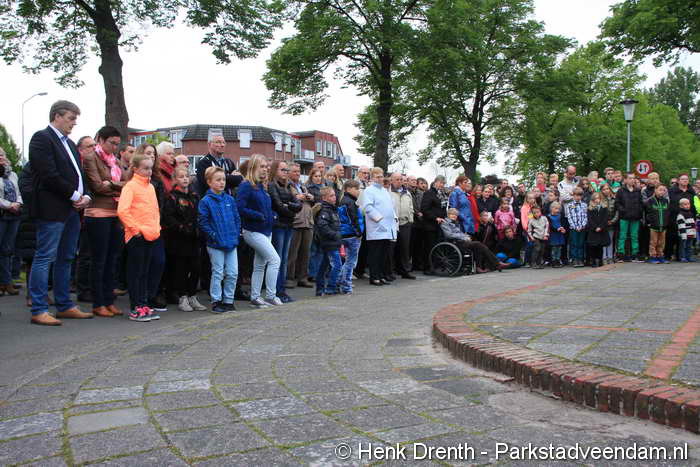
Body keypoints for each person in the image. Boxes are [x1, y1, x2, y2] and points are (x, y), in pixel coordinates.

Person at [27, 100, 93, 326]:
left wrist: (86, 195)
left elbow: (79, 174)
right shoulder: (41, 138)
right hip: (52, 209)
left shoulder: (70, 144)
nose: (74, 123)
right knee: (45, 256)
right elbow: (48, 174)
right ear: (57, 116)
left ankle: (64, 305)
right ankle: (39, 309)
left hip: (72, 210)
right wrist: (75, 195)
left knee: (66, 257)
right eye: (71, 118)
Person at [82, 126, 126, 318]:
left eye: (117, 144)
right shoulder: (91, 158)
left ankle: (109, 300)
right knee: (99, 259)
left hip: (115, 212)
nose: (114, 147)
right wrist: (116, 186)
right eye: (111, 143)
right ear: (101, 140)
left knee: (112, 259)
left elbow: (127, 184)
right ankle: (98, 302)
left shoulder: (115, 161)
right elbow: (98, 186)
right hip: (98, 213)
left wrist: (112, 184)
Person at [117, 154, 161, 322]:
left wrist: (156, 228)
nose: (149, 171)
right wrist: (135, 230)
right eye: (145, 168)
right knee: (135, 272)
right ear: (135, 169)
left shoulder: (150, 187)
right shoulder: (130, 187)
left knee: (144, 272)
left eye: (150, 168)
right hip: (137, 235)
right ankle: (136, 307)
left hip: (150, 234)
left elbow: (155, 210)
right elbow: (123, 211)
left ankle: (143, 304)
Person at [236, 154, 282, 308]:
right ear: (253, 167)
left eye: (266, 167)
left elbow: (266, 208)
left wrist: (272, 215)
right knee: (275, 260)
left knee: (260, 265)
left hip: (265, 230)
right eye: (262, 166)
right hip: (253, 230)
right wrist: (258, 216)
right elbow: (239, 207)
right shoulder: (246, 185)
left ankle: (255, 297)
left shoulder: (261, 186)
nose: (265, 169)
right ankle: (270, 296)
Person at [162, 167, 205, 312]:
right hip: (179, 239)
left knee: (196, 268)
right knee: (181, 269)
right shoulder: (172, 197)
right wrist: (181, 227)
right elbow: (168, 217)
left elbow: (199, 214)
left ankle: (192, 295)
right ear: (175, 179)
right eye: (181, 176)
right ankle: (183, 297)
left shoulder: (194, 196)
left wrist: (198, 229)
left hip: (194, 238)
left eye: (187, 176)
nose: (185, 179)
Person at [198, 166, 240, 312]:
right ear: (209, 182)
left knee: (233, 272)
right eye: (218, 180)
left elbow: (236, 218)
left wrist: (235, 234)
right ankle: (216, 301)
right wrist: (214, 236)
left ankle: (228, 300)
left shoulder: (229, 199)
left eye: (223, 179)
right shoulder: (206, 201)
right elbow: (203, 222)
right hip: (215, 244)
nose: (222, 182)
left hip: (231, 242)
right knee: (218, 272)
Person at [268, 160, 302, 303]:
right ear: (275, 170)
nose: (285, 172)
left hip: (288, 224)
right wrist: (290, 209)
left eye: (286, 170)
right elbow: (277, 205)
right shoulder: (272, 185)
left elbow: (299, 205)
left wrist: (288, 206)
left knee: (284, 258)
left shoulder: (289, 186)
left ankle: (281, 290)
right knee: (278, 259)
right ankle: (277, 291)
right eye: (282, 169)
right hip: (278, 225)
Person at [440, 208, 505, 272]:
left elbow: (460, 233)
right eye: (452, 214)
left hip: (461, 241)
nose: (454, 216)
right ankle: (497, 263)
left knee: (478, 247)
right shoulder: (445, 223)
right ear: (448, 215)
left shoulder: (456, 223)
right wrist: (464, 237)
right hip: (455, 243)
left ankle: (479, 267)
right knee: (478, 244)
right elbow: (449, 235)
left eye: (455, 215)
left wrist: (466, 236)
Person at [362, 167, 397, 285]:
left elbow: (390, 207)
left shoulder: (384, 191)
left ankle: (381, 275)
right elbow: (367, 207)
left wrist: (394, 218)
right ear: (372, 178)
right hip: (376, 227)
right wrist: (379, 219)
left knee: (384, 254)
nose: (380, 179)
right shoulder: (369, 190)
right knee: (375, 254)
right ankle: (374, 277)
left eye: (381, 176)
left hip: (387, 227)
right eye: (377, 177)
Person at [286, 163, 314, 288]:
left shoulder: (302, 186)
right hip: (295, 222)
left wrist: (310, 197)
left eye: (298, 171)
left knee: (305, 252)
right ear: (288, 172)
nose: (298, 173)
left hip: (307, 222)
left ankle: (303, 277)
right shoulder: (287, 185)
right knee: (292, 253)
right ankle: (289, 278)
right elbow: (287, 199)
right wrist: (298, 197)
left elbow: (310, 200)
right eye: (295, 171)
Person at [0, 148, 22, 296]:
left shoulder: (13, 174)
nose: (0, 157)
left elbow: (19, 192)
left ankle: (7, 282)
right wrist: (9, 205)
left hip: (13, 216)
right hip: (2, 213)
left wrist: (18, 203)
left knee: (7, 250)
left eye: (2, 154)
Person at [314, 187, 342, 295]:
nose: (334, 197)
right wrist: (336, 235)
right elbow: (323, 227)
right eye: (331, 196)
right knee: (337, 265)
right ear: (324, 198)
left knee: (324, 265)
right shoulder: (324, 211)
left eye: (334, 195)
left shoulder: (333, 209)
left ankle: (320, 288)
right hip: (329, 243)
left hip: (333, 242)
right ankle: (331, 287)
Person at [338, 180, 364, 294]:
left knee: (347, 261)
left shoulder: (343, 200)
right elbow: (353, 219)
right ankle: (346, 286)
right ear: (348, 189)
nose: (358, 191)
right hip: (351, 235)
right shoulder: (350, 202)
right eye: (356, 188)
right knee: (351, 262)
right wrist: (359, 233)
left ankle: (339, 281)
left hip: (344, 234)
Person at [420, 176, 448, 275]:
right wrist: (435, 218)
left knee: (437, 247)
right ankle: (427, 267)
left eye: (443, 183)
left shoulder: (442, 194)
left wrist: (444, 217)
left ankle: (435, 266)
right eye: (440, 183)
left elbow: (443, 208)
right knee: (429, 247)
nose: (442, 185)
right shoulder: (429, 193)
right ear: (435, 182)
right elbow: (424, 209)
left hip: (440, 225)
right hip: (430, 225)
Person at [390, 172, 415, 279]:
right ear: (391, 180)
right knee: (392, 249)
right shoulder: (388, 192)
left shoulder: (407, 192)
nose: (399, 181)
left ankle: (405, 271)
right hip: (392, 223)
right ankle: (391, 271)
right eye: (397, 179)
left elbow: (411, 206)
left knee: (405, 249)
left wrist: (410, 219)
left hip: (405, 223)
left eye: (401, 179)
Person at [615, 173, 644, 262]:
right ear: (625, 180)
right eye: (630, 178)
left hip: (635, 217)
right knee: (622, 236)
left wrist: (639, 211)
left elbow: (641, 203)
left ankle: (635, 253)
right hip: (624, 217)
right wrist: (623, 210)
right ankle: (621, 254)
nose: (632, 180)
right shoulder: (621, 190)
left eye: (633, 178)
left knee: (634, 236)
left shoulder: (638, 190)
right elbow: (617, 203)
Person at [667, 174, 695, 261]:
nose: (685, 180)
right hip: (674, 217)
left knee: (686, 238)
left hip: (688, 218)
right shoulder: (672, 190)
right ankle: (668, 255)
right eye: (683, 179)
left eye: (686, 179)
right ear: (678, 181)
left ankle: (683, 256)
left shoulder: (691, 191)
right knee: (672, 237)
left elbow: (694, 205)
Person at [566, 187, 588, 267]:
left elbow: (586, 216)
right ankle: (575, 259)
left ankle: (580, 259)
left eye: (579, 195)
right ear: (573, 196)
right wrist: (575, 226)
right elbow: (569, 217)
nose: (578, 197)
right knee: (574, 243)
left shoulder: (584, 205)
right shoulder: (569, 205)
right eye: (576, 195)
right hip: (573, 228)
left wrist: (582, 225)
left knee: (581, 243)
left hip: (582, 228)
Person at [586, 192, 609, 268]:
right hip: (593, 230)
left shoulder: (604, 207)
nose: (597, 200)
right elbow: (590, 219)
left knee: (600, 246)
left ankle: (600, 260)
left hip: (602, 230)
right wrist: (595, 227)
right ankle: (593, 260)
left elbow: (605, 218)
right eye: (595, 198)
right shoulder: (590, 208)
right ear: (593, 200)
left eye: (598, 198)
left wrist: (600, 227)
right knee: (593, 246)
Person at [600, 184, 618, 264]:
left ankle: (610, 257)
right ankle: (604, 257)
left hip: (611, 223)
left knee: (610, 241)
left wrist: (612, 221)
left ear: (610, 190)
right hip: (603, 224)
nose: (606, 191)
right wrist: (602, 222)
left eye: (607, 189)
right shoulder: (600, 199)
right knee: (603, 241)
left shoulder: (614, 199)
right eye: (604, 189)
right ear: (601, 191)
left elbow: (617, 212)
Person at [676, 197, 696, 262]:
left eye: (688, 204)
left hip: (690, 233)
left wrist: (694, 233)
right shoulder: (681, 215)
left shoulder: (691, 214)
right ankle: (682, 257)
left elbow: (693, 225)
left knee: (689, 246)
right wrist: (683, 235)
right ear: (681, 206)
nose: (687, 206)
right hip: (684, 234)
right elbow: (681, 226)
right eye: (685, 204)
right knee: (683, 246)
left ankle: (689, 257)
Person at [547, 202, 565, 268]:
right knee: (554, 248)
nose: (557, 210)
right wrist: (557, 229)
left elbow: (563, 223)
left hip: (559, 234)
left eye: (558, 209)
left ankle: (558, 259)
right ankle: (553, 260)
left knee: (559, 248)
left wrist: (563, 228)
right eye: (556, 208)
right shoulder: (548, 216)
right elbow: (550, 226)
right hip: (553, 234)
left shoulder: (560, 215)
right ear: (551, 208)